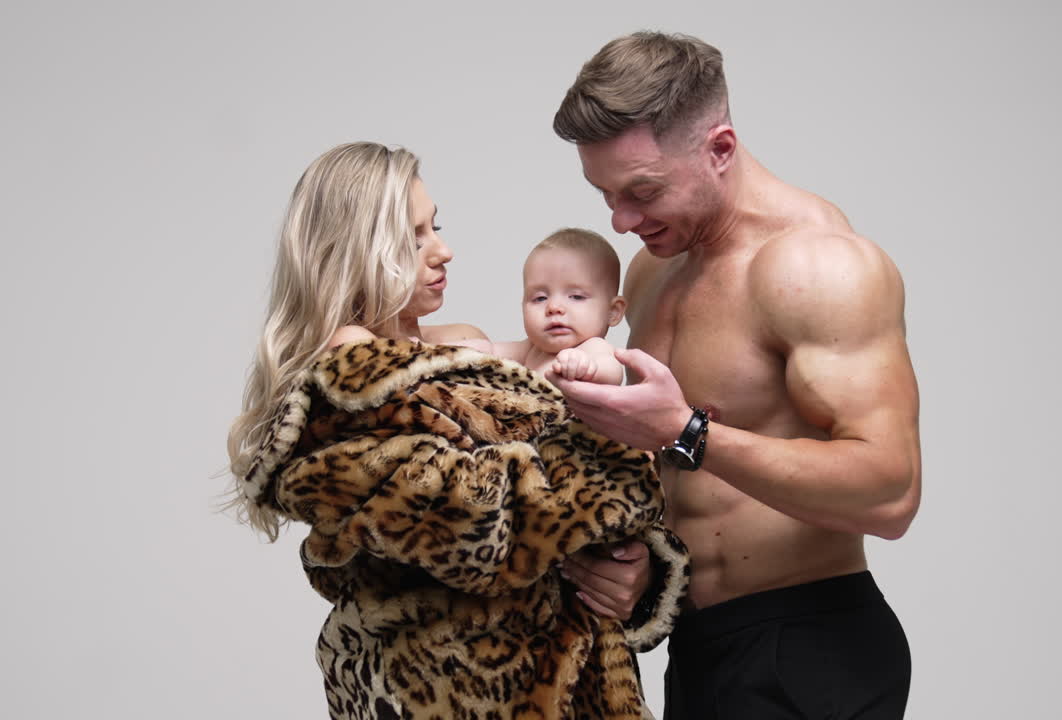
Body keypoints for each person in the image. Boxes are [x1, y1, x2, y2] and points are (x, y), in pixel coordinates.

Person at [226, 141, 689, 719]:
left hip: (561, 681)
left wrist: (628, 567)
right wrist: (627, 450)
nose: (443, 251)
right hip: (450, 689)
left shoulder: (460, 346)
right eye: (413, 237)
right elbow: (479, 527)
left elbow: (554, 514)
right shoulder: (350, 380)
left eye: (436, 227)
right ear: (355, 250)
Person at [550, 32, 922, 718]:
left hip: (807, 646)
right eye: (605, 194)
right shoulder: (654, 270)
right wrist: (639, 565)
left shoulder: (816, 266)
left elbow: (891, 493)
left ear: (719, 148)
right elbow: (667, 474)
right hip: (699, 647)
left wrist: (687, 431)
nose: (622, 221)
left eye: (643, 191)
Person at [463, 227, 628, 385]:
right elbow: (492, 351)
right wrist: (470, 348)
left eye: (576, 297)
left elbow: (613, 372)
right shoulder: (531, 349)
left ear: (613, 312)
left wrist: (585, 366)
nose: (554, 307)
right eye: (540, 298)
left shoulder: (593, 348)